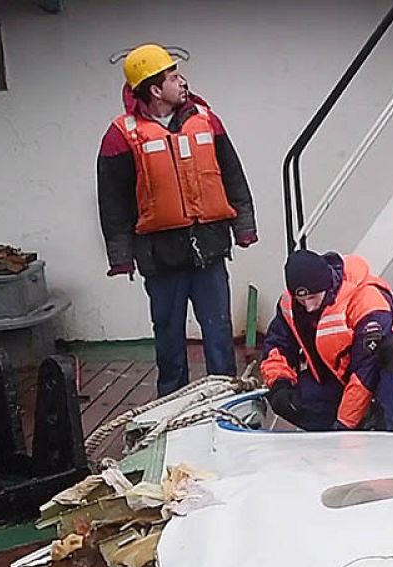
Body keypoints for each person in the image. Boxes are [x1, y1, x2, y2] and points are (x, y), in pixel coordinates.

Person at [97, 43, 257, 397]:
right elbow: (114, 202)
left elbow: (232, 176)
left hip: (210, 248)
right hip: (160, 256)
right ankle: (172, 403)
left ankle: (227, 399)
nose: (182, 81)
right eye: (173, 76)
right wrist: (121, 256)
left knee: (218, 332)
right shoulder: (121, 136)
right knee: (168, 336)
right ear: (155, 89)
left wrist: (244, 226)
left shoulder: (206, 119)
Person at [259, 250, 393, 432]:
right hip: (339, 378)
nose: (308, 306)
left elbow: (365, 372)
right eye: (301, 299)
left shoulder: (367, 300)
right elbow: (277, 346)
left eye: (313, 297)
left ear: (327, 286)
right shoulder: (289, 305)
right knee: (284, 399)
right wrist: (280, 383)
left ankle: (390, 434)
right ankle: (360, 422)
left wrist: (344, 427)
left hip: (380, 376)